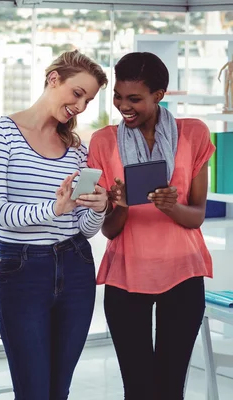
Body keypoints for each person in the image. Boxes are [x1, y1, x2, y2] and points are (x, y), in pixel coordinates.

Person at [0, 50, 109, 400]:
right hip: (22, 269)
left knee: (58, 390)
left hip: (76, 264)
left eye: (89, 100)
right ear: (54, 79)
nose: (81, 106)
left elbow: (84, 225)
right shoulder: (1, 133)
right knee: (33, 390)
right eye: (77, 93)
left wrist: (100, 207)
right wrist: (53, 207)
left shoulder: (78, 150)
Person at [87, 52, 214, 400]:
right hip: (126, 276)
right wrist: (123, 207)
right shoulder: (102, 141)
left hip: (182, 275)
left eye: (134, 99)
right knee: (138, 388)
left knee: (171, 388)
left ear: (159, 96)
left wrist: (172, 207)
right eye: (118, 96)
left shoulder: (194, 134)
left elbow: (198, 215)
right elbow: (109, 230)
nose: (123, 106)